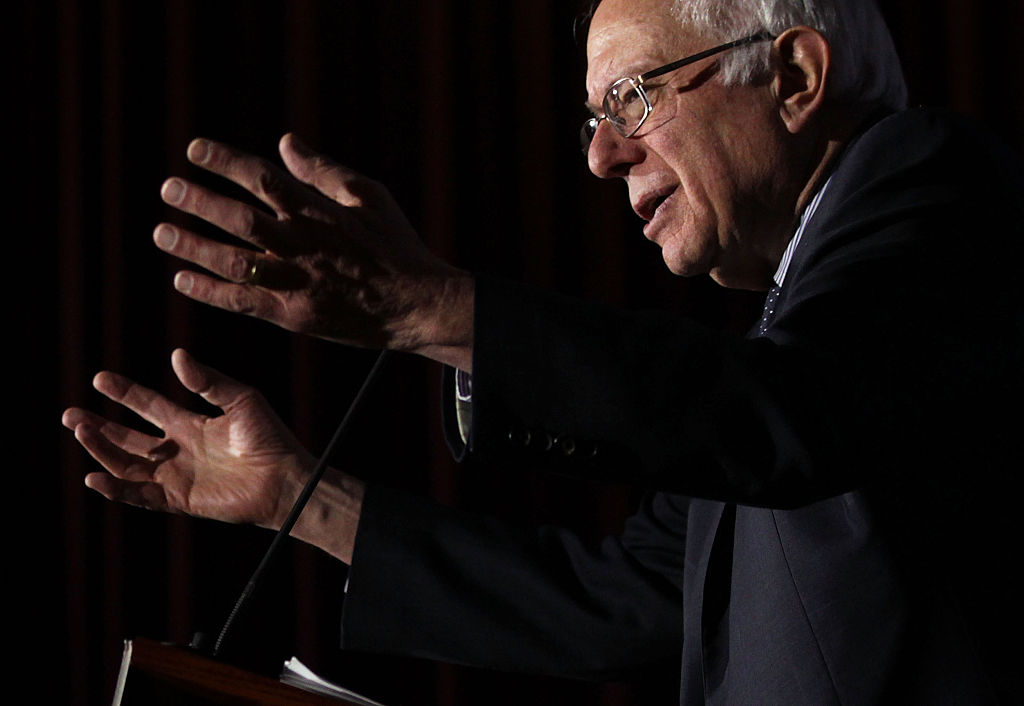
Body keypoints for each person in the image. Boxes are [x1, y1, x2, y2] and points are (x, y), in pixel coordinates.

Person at [63, 0, 1023, 702]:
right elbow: (616, 602)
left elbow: (791, 413)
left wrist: (425, 307)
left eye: (635, 99)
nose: (604, 156)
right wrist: (301, 498)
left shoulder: (936, 184)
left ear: (798, 77)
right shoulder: (791, 332)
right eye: (594, 121)